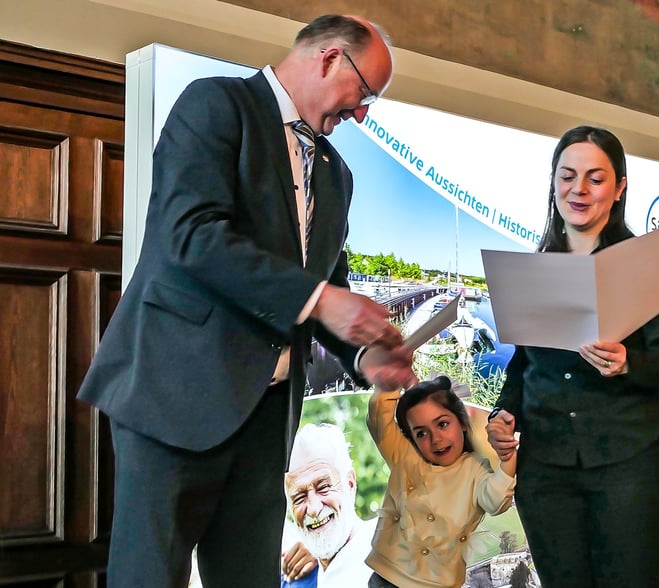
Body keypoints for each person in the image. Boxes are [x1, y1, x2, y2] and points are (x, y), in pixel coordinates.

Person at [75, 15, 417, 588]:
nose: (361, 114)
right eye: (364, 94)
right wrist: (322, 299)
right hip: (175, 398)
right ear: (330, 58)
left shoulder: (338, 176)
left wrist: (364, 357)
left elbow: (327, 286)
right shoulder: (215, 105)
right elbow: (191, 234)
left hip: (267, 421)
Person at [485, 125, 659, 587]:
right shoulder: (537, 268)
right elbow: (524, 363)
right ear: (553, 182)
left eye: (595, 178)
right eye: (567, 175)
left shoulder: (648, 265)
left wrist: (628, 361)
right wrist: (503, 411)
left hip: (630, 470)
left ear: (619, 189)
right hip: (547, 473)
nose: (578, 189)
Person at [365, 375, 517, 587]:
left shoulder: (474, 469)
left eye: (443, 424)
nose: (436, 439)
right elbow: (379, 418)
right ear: (410, 437)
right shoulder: (406, 457)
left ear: (463, 422)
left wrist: (507, 457)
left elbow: (496, 501)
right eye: (421, 433)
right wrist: (392, 377)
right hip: (387, 577)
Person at [281, 424, 376, 587]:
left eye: (323, 487)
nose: (313, 509)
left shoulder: (393, 550)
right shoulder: (298, 579)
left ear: (350, 483)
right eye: (299, 497)